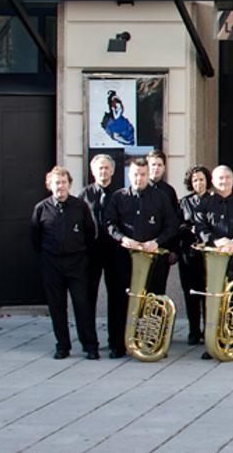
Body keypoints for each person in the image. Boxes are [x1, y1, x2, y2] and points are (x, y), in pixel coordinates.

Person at [103, 157, 179, 356]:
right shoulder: (118, 197)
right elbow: (109, 223)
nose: (139, 178)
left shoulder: (160, 197)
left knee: (153, 300)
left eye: (143, 174)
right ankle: (117, 344)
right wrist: (122, 239)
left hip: (153, 258)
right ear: (129, 174)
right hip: (124, 258)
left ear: (148, 174)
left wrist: (157, 241)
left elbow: (172, 225)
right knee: (120, 301)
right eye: (135, 174)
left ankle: (151, 342)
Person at [31, 166, 99, 360]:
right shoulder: (41, 208)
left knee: (82, 304)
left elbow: (89, 233)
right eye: (56, 183)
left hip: (76, 263)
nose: (60, 186)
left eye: (63, 182)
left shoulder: (80, 206)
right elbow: (35, 238)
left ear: (69, 184)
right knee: (57, 306)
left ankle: (90, 345)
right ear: (49, 185)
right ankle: (62, 346)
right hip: (51, 264)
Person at [193, 164, 233, 359]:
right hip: (214, 257)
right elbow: (200, 227)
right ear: (213, 181)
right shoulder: (204, 203)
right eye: (220, 178)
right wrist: (216, 240)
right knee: (213, 301)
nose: (224, 182)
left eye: (227, 178)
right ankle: (212, 343)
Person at [82, 153, 130, 358]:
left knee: (118, 297)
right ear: (93, 171)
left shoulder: (120, 195)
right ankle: (89, 343)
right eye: (99, 168)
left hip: (115, 252)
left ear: (113, 170)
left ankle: (116, 343)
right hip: (91, 252)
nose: (103, 171)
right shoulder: (83, 195)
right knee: (87, 298)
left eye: (106, 168)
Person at [178, 165, 212, 345]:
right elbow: (177, 225)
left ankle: (209, 329)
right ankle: (193, 330)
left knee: (207, 292)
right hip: (188, 254)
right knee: (190, 293)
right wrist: (190, 228)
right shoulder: (184, 202)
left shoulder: (214, 200)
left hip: (207, 255)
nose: (198, 183)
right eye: (195, 180)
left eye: (201, 179)